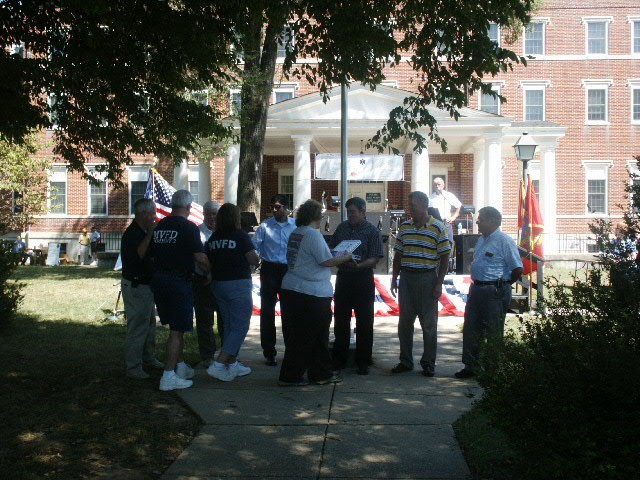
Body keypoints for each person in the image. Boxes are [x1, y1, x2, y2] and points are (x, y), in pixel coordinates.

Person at [278, 199, 352, 386]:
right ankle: (291, 376)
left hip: (293, 288)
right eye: (321, 214)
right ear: (315, 216)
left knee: (311, 336)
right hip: (310, 293)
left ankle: (320, 373)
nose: (322, 218)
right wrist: (346, 257)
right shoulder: (312, 235)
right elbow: (326, 261)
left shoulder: (297, 233)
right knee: (308, 337)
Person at [151, 190, 210, 391]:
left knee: (177, 326)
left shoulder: (159, 226)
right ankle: (168, 376)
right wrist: (210, 273)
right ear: (188, 207)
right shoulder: (188, 227)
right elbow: (200, 258)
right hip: (179, 281)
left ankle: (180, 366)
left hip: (159, 279)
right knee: (177, 330)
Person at [455, 206, 523, 379]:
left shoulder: (504, 241)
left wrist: (503, 285)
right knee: (471, 329)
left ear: (493, 221)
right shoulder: (482, 240)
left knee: (493, 331)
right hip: (477, 289)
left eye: (481, 218)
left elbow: (517, 269)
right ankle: (471, 366)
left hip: (494, 291)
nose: (477, 221)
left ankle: (493, 369)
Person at [390, 191, 451, 377]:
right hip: (407, 279)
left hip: (427, 278)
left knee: (429, 325)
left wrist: (439, 284)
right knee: (405, 323)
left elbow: (445, 258)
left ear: (424, 205)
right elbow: (398, 255)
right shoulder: (405, 227)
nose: (410, 210)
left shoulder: (438, 228)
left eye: (413, 206)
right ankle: (405, 361)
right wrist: (394, 278)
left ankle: (428, 363)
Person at [205, 203, 260, 382]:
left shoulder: (213, 238)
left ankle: (232, 363)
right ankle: (219, 364)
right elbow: (253, 258)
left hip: (218, 285)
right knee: (240, 326)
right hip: (238, 284)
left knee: (229, 324)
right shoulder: (240, 236)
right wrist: (257, 258)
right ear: (235, 218)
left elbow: (206, 260)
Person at [330, 197, 384, 375]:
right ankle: (339, 358)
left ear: (363, 211)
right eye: (348, 212)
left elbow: (376, 256)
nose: (350, 215)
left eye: (353, 212)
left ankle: (363, 360)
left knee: (365, 321)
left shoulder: (371, 231)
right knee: (341, 320)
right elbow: (332, 250)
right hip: (344, 278)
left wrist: (360, 265)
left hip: (362, 278)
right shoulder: (342, 228)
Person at [121, 198, 164, 379]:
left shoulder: (144, 231)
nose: (155, 216)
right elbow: (138, 255)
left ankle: (148, 358)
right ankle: (133, 367)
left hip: (147, 286)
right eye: (153, 212)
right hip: (136, 286)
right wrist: (149, 235)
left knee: (149, 325)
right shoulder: (133, 234)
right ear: (143, 214)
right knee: (138, 327)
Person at [252, 194, 296, 366]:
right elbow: (254, 247)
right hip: (269, 269)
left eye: (278, 207)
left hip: (288, 270)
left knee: (289, 312)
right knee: (268, 312)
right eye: (272, 207)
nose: (274, 210)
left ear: (286, 208)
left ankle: (290, 349)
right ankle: (269, 351)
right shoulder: (265, 227)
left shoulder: (295, 226)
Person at [194, 200, 224, 368]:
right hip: (203, 281)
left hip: (222, 282)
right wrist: (208, 273)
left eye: (215, 214)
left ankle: (227, 355)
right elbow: (198, 257)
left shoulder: (225, 233)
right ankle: (207, 356)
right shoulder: (197, 233)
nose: (212, 217)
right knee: (205, 320)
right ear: (203, 215)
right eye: (208, 214)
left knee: (225, 320)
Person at [429, 177, 462, 242]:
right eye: (435, 184)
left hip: (446, 223)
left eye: (439, 184)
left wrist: (454, 217)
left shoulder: (448, 195)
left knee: (449, 242)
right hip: (434, 224)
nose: (437, 186)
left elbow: (459, 205)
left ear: (443, 185)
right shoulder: (430, 197)